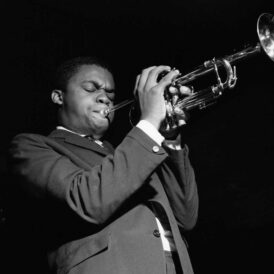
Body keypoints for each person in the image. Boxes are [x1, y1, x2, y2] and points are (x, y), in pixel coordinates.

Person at [9, 56, 199, 274]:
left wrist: (170, 137)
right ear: (58, 97)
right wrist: (148, 124)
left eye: (111, 94)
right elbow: (86, 200)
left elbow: (185, 217)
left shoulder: (134, 151)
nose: (105, 99)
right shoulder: (29, 146)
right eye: (91, 89)